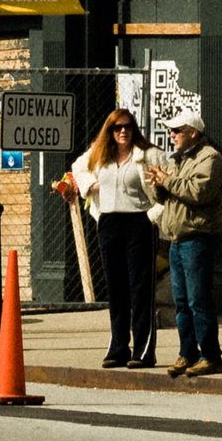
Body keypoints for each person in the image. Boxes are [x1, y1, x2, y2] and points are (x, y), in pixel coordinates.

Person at [60, 105, 156, 368]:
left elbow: (163, 183)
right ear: (110, 131)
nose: (123, 131)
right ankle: (118, 347)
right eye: (117, 127)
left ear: (133, 129)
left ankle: (143, 351)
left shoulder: (146, 154)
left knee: (139, 288)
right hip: (110, 221)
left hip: (139, 220)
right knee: (116, 287)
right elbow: (77, 167)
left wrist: (154, 214)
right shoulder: (100, 154)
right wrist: (89, 186)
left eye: (127, 126)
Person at [145, 99, 222, 379]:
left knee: (198, 300)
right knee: (181, 301)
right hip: (176, 239)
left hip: (197, 238)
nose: (172, 135)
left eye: (177, 130)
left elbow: (199, 192)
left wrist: (166, 180)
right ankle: (187, 352)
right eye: (171, 131)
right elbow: (168, 196)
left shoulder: (210, 158)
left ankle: (211, 356)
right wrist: (158, 184)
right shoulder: (177, 160)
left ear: (193, 131)